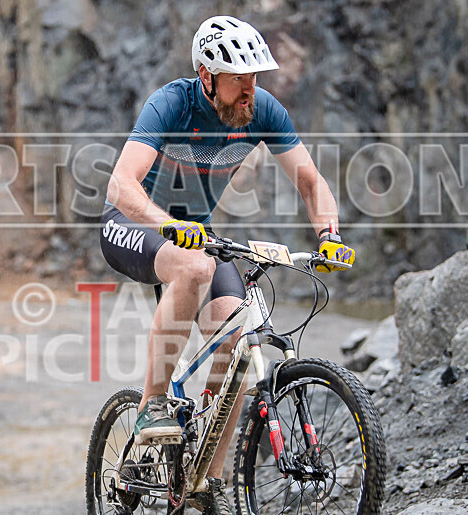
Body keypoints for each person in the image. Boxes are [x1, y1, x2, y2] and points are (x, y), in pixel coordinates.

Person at [100, 15, 355, 514]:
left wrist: (329, 233)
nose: (250, 90)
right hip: (133, 224)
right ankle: (153, 404)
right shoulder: (171, 104)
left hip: (196, 237)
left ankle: (206, 480)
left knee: (239, 342)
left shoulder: (261, 110)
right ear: (206, 76)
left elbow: (309, 179)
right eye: (239, 79)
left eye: (255, 77)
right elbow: (120, 186)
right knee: (193, 269)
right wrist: (165, 223)